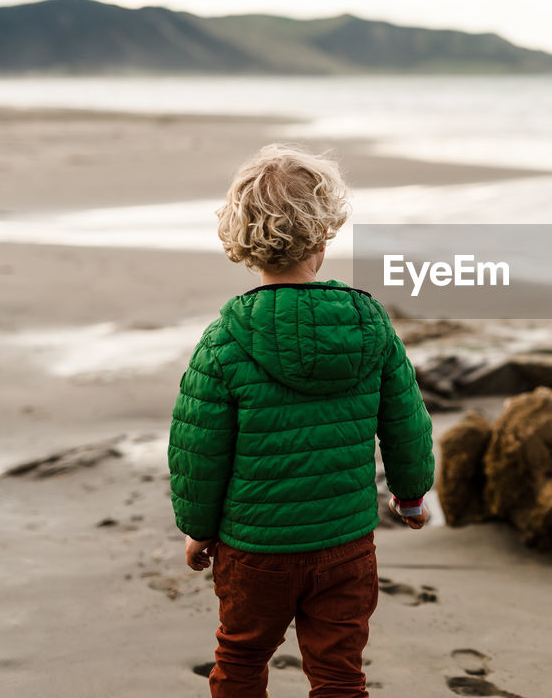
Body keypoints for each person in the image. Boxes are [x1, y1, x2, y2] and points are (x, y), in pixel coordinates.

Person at [168, 143, 435, 698]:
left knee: (240, 658)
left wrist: (198, 526)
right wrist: (411, 496)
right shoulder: (370, 326)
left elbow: (198, 447)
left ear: (243, 240)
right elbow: (407, 422)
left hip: (253, 549)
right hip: (345, 545)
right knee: (339, 672)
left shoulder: (224, 341)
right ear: (323, 234)